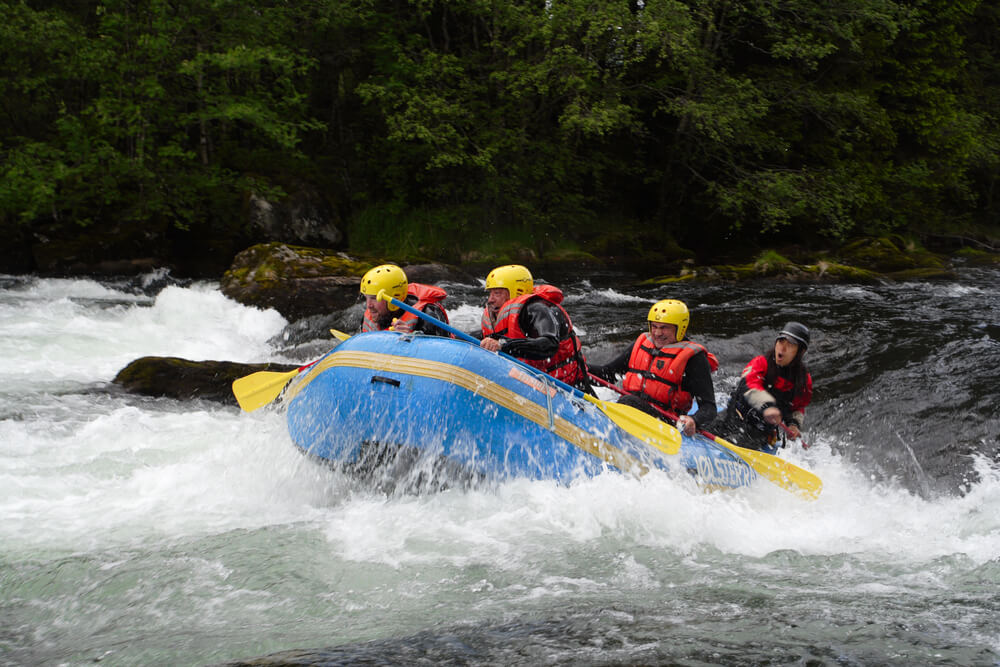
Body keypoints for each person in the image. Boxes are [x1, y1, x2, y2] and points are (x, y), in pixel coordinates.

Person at [588, 299, 718, 437]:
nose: (657, 333)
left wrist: (694, 420)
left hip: (664, 423)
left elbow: (709, 407)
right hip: (630, 411)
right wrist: (580, 366)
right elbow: (608, 373)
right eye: (654, 326)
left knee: (629, 401)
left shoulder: (694, 359)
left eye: (664, 328)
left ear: (680, 328)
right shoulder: (642, 344)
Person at [479, 264, 591, 391]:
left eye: (497, 293)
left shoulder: (537, 309)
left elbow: (550, 344)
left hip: (569, 388)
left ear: (517, 291)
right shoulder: (498, 316)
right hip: (536, 384)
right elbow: (489, 337)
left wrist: (503, 345)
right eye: (490, 293)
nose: (490, 300)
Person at [714, 321, 813, 450]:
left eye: (790, 345)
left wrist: (793, 425)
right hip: (732, 417)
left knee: (732, 444)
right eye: (781, 342)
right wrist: (767, 406)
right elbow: (749, 384)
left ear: (800, 351)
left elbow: (798, 407)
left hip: (758, 434)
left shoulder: (803, 380)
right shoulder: (761, 363)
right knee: (701, 427)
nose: (782, 348)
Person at [358, 264, 450, 336]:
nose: (369, 305)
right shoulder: (370, 316)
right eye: (367, 298)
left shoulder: (428, 316)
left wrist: (410, 339)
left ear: (395, 298)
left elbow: (441, 353)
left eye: (374, 298)